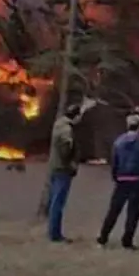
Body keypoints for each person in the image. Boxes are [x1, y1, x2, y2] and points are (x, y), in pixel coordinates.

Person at [97, 112, 139, 251]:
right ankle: (127, 240)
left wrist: (115, 176)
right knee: (133, 213)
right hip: (138, 180)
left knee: (114, 210)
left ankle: (103, 237)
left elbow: (114, 161)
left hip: (122, 180)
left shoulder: (119, 142)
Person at [46, 102, 84, 243]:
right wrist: (71, 163)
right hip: (63, 169)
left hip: (55, 167)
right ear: (76, 116)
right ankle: (55, 234)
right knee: (58, 202)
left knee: (55, 200)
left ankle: (53, 231)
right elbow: (66, 148)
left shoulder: (59, 124)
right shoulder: (66, 129)